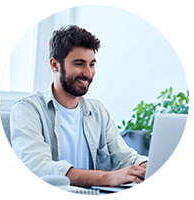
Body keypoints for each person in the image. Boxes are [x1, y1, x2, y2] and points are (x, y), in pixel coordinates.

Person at [10, 25, 148, 187]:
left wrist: (144, 167)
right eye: (79, 64)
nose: (88, 73)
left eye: (92, 64)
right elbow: (38, 167)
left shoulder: (98, 111)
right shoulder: (27, 110)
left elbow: (124, 157)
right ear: (55, 65)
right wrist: (108, 178)